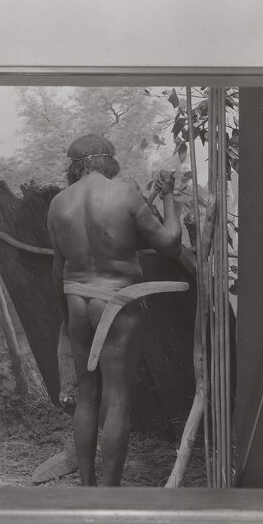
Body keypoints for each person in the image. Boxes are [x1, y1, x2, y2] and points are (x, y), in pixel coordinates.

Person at [47, 134, 182, 486]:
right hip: (117, 301)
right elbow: (170, 244)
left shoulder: (59, 203)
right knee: (117, 399)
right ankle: (109, 494)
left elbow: (57, 270)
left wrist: (67, 317)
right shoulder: (124, 194)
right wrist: (168, 196)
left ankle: (87, 488)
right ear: (109, 161)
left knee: (87, 397)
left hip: (76, 300)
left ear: (75, 165)